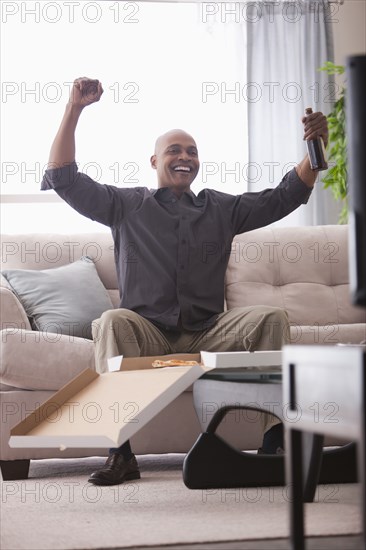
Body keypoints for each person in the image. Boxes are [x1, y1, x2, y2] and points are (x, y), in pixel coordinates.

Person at [41, 77, 328, 486]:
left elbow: (285, 196)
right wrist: (74, 109)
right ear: (154, 161)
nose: (184, 157)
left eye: (192, 151)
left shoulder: (221, 208)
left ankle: (273, 443)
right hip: (149, 333)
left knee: (271, 317)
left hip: (208, 331)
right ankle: (120, 454)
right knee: (111, 322)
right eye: (173, 150)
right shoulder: (126, 205)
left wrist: (314, 150)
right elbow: (64, 178)